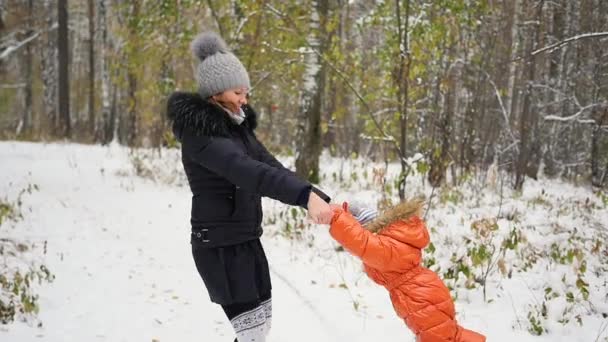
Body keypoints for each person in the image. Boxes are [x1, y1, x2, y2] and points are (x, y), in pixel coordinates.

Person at [166, 32, 332, 342]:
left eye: (246, 92)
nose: (244, 99)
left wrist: (315, 196)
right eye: (238, 91)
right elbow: (249, 172)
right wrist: (304, 196)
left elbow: (270, 166)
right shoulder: (202, 136)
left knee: (260, 329)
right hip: (219, 247)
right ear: (217, 92)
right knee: (253, 334)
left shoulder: (236, 128)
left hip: (245, 239)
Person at [325, 198, 486, 342]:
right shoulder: (393, 243)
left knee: (443, 338)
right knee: (451, 335)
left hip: (420, 297)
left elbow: (360, 242)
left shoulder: (386, 249)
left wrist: (336, 217)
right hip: (425, 290)